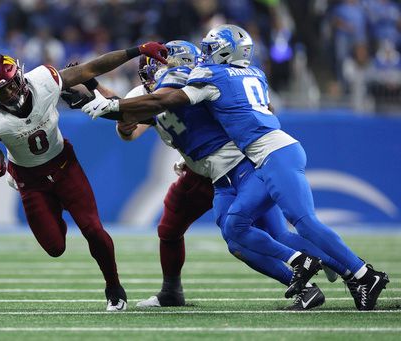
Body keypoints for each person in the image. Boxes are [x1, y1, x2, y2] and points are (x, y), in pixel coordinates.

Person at [81, 25, 389, 311]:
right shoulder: (239, 74)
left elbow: (168, 101)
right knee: (237, 236)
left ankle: (352, 270)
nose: (154, 68)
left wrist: (112, 104)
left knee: (286, 226)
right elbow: (138, 120)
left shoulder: (198, 80)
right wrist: (103, 97)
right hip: (218, 173)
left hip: (249, 163)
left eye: (163, 62)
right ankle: (324, 273)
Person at [0, 42, 168, 311]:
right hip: (29, 180)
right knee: (55, 247)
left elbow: (92, 67)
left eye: (10, 84)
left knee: (94, 231)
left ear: (19, 75)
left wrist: (138, 50)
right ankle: (53, 208)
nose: (9, 92)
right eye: (1, 91)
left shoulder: (44, 79)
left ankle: (114, 287)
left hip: (64, 165)